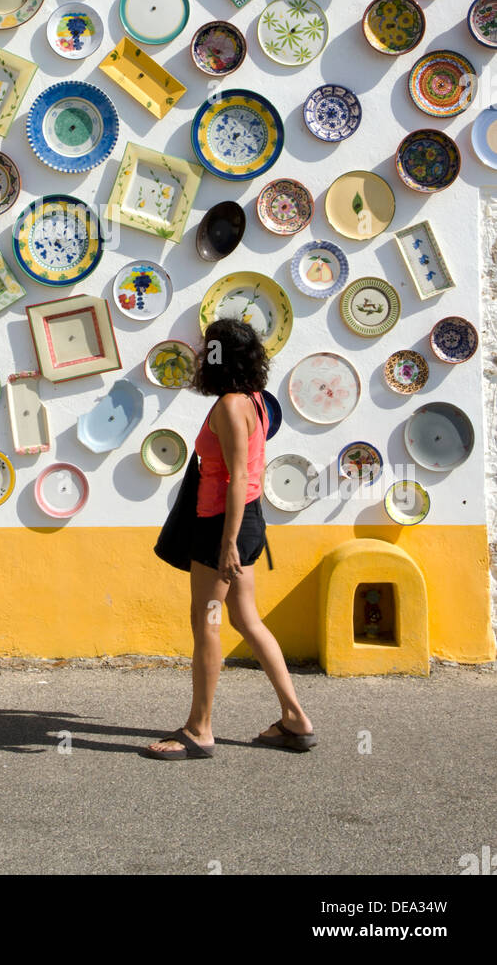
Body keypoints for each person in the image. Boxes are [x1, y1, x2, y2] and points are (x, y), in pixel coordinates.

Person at [146, 318, 316, 760]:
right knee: (246, 619)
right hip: (247, 520)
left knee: (208, 624)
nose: (205, 355)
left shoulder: (229, 405)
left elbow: (239, 476)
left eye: (209, 349)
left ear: (218, 357)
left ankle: (199, 731)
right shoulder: (256, 401)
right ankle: (295, 719)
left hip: (222, 523)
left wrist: (227, 543)